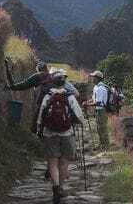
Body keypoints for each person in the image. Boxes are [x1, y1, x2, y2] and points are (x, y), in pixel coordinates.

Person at [37, 71, 84, 204]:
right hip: (66, 133)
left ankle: (55, 187)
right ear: (64, 82)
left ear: (52, 81)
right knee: (64, 162)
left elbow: (41, 114)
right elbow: (79, 115)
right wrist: (81, 123)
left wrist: (39, 129)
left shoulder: (48, 96)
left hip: (49, 133)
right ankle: (61, 187)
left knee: (52, 162)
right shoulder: (69, 97)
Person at [83, 70, 110, 150]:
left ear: (97, 78)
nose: (92, 79)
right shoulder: (96, 87)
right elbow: (94, 99)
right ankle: (102, 144)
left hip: (102, 110)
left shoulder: (101, 88)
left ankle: (106, 146)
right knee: (99, 128)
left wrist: (87, 104)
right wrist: (87, 102)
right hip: (98, 110)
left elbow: (98, 102)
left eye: (93, 77)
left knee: (102, 128)